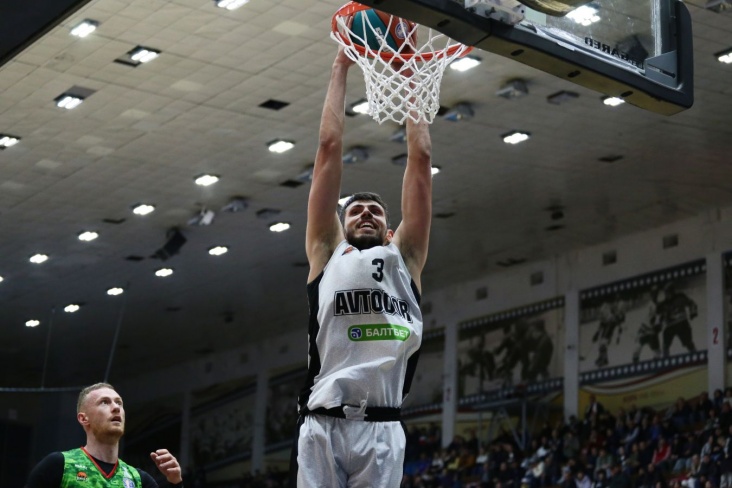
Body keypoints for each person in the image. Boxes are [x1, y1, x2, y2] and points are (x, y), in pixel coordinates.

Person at [290, 46, 433, 487]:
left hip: (383, 427)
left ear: (390, 231)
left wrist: (411, 75)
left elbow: (421, 160)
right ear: (341, 223)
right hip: (323, 423)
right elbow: (328, 149)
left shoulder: (404, 257)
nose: (366, 212)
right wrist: (340, 66)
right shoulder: (326, 251)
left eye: (375, 210)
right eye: (355, 210)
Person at [25, 383, 183, 488]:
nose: (116, 407)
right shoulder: (59, 465)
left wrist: (175, 482)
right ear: (83, 418)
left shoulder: (139, 480)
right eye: (105, 402)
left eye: (119, 402)